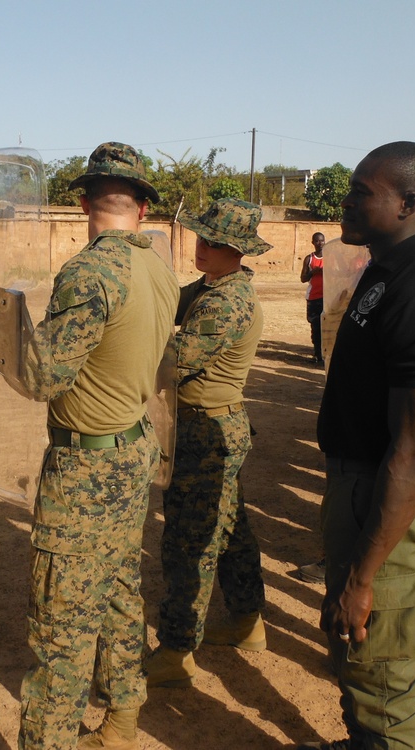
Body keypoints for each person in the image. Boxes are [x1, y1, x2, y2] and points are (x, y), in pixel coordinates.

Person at [298, 142, 415, 750]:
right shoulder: (386, 267)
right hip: (359, 490)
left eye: (360, 192)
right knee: (357, 661)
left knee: (385, 676)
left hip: (387, 506)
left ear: (409, 202)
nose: (344, 202)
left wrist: (365, 576)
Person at [17, 142, 179, 750]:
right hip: (132, 449)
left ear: (84, 202)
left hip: (86, 467)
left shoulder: (90, 272)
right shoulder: (157, 268)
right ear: (140, 207)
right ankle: (122, 721)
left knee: (60, 626)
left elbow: (43, 377)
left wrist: (6, 331)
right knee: (116, 590)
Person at [146, 198, 271, 688]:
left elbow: (170, 362)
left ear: (236, 250)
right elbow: (166, 305)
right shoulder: (211, 286)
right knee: (231, 531)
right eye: (199, 236)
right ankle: (246, 620)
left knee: (187, 543)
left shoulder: (227, 302)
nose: (200, 246)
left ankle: (177, 651)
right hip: (206, 426)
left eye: (212, 241)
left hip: (206, 432)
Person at [301, 231, 326, 364]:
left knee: (326, 327)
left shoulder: (330, 257)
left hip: (328, 298)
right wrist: (312, 272)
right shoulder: (309, 259)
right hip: (313, 297)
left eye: (322, 241)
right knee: (315, 327)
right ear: (313, 243)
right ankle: (317, 355)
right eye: (317, 241)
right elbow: (303, 279)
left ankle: (326, 354)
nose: (320, 243)